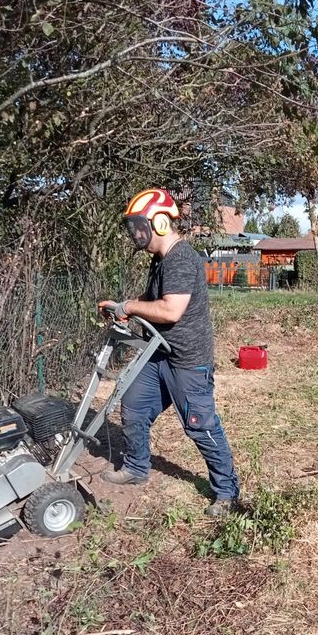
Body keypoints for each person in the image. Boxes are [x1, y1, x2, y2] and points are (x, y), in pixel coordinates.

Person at [98, 188, 239, 517]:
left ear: (159, 222)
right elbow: (152, 305)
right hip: (159, 353)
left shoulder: (181, 258)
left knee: (200, 426)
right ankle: (136, 467)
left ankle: (226, 492)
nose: (135, 233)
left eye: (138, 225)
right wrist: (126, 311)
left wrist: (130, 306)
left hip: (187, 360)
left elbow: (171, 310)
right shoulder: (160, 261)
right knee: (132, 406)